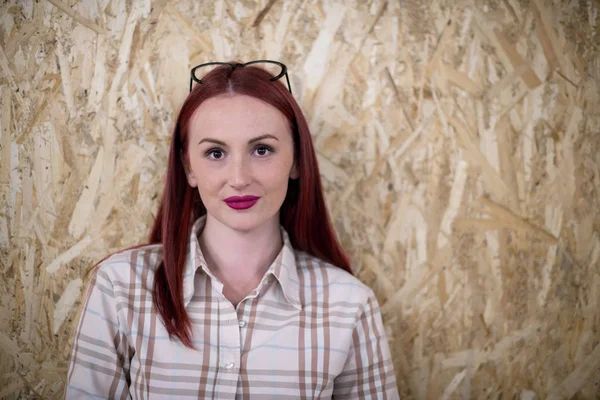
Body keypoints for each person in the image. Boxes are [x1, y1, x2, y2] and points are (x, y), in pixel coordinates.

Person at [64, 60, 399, 399]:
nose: (239, 178)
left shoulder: (350, 305)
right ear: (188, 167)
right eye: (215, 153)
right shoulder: (120, 287)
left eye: (262, 149)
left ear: (297, 160)